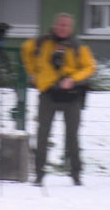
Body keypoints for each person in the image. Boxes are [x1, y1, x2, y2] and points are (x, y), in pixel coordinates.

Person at [20, 13, 96, 186]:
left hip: (71, 96)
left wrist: (73, 79)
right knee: (43, 135)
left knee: (72, 136)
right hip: (48, 93)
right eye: (60, 25)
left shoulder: (78, 47)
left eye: (66, 25)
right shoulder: (41, 42)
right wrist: (32, 72)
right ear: (54, 25)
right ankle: (39, 174)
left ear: (71, 28)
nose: (62, 28)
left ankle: (76, 174)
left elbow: (90, 67)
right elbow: (25, 49)